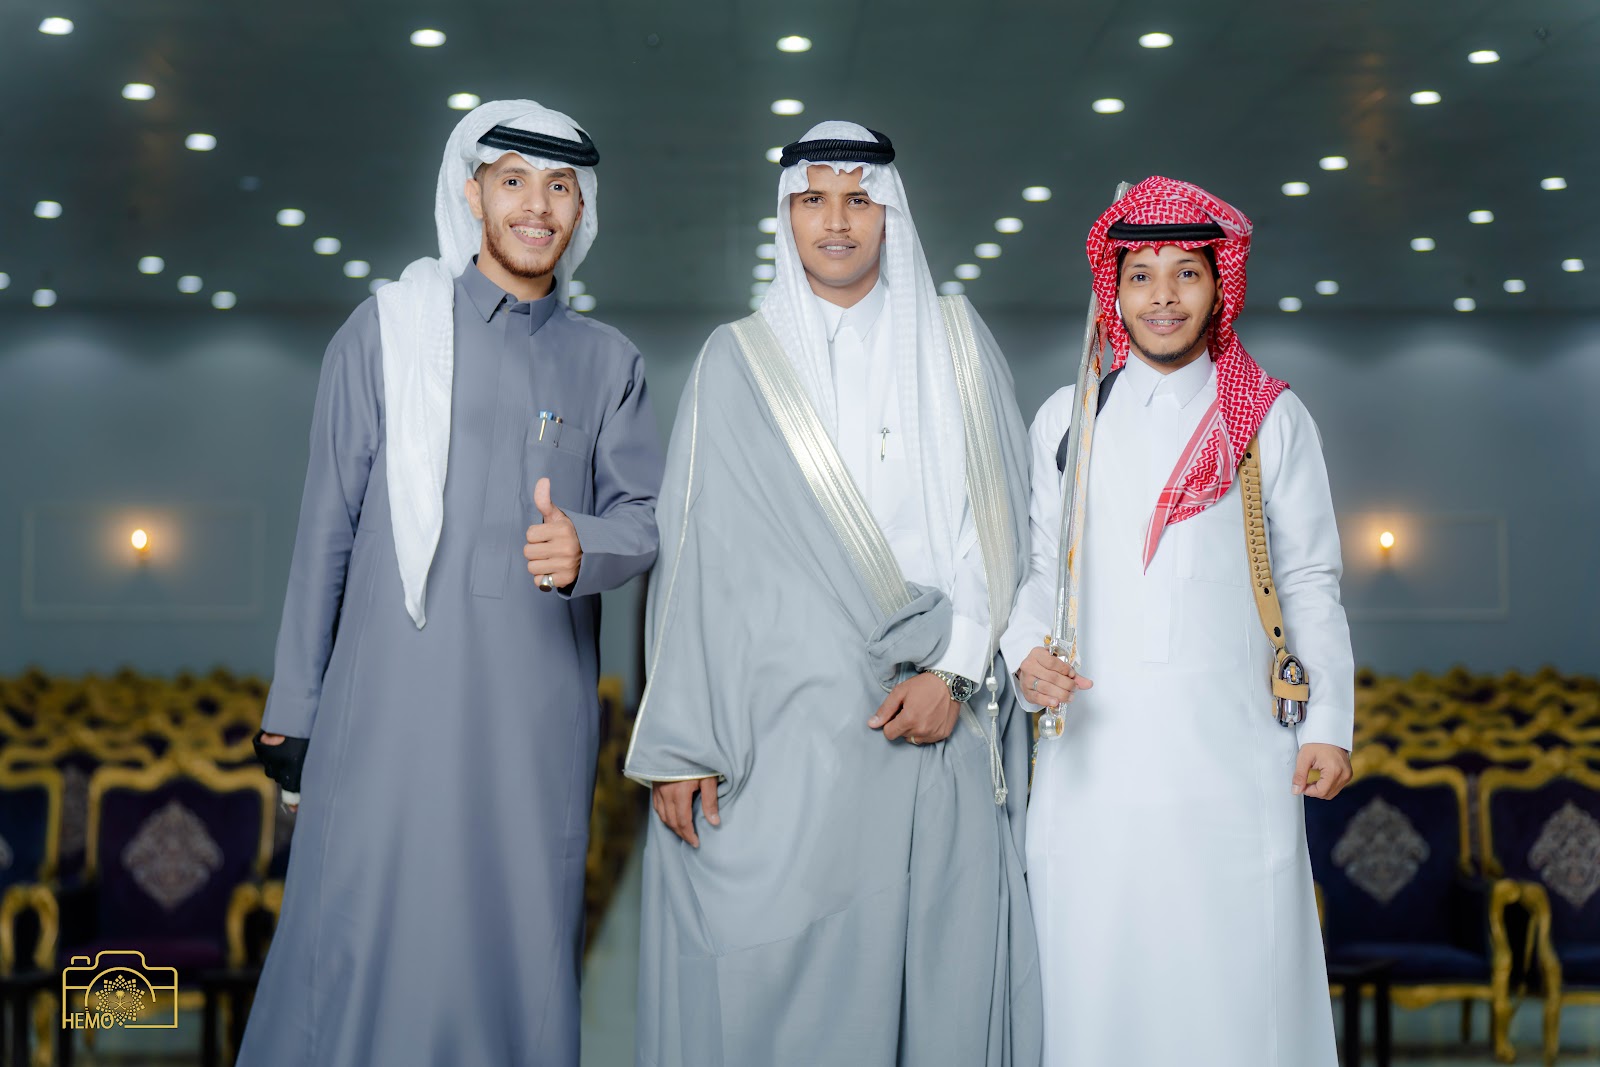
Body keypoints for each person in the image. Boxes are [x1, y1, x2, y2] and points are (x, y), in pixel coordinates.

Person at [239, 99, 662, 1067]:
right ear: (472, 194)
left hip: (533, 721)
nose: (537, 206)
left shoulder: (609, 364)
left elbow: (646, 517)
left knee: (511, 954)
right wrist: (293, 708)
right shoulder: (384, 333)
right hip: (386, 707)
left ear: (583, 209)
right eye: (513, 181)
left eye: (560, 187)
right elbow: (325, 529)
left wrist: (587, 545)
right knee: (360, 940)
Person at [624, 120, 1041, 1067]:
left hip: (928, 713)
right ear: (787, 216)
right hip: (784, 736)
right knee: (779, 992)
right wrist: (684, 740)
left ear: (892, 213)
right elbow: (695, 563)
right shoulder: (738, 361)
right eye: (814, 200)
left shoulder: (955, 342)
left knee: (934, 985)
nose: (838, 221)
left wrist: (957, 672)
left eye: (860, 199)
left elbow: (999, 528)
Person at [1001, 175, 1354, 1066]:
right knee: (1095, 988)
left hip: (1231, 759)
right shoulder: (1069, 417)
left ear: (1219, 283)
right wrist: (1024, 653)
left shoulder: (1268, 416)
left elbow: (1310, 578)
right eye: (1142, 275)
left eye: (1185, 273)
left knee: (1234, 993)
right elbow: (1040, 570)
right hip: (1093, 766)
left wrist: (1329, 723)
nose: (1163, 296)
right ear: (1113, 290)